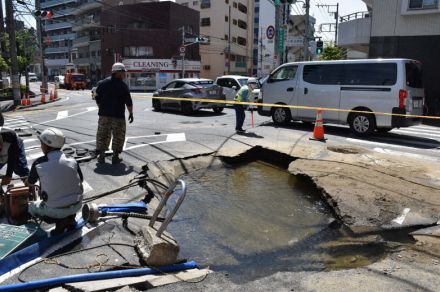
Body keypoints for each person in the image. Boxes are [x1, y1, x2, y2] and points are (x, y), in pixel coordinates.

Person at [28, 128, 84, 234]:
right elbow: (80, 179)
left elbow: (30, 182)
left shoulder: (38, 163)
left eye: (41, 143)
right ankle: (70, 218)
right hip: (77, 205)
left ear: (45, 145)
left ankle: (60, 222)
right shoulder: (72, 159)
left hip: (54, 210)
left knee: (31, 206)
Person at [95, 62, 133, 164]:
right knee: (118, 135)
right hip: (118, 116)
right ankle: (115, 156)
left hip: (103, 115)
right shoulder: (122, 86)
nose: (124, 74)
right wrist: (131, 113)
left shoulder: (102, 84)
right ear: (118, 73)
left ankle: (101, 156)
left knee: (103, 134)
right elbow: (128, 102)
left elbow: (97, 98)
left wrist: (102, 108)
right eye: (123, 72)